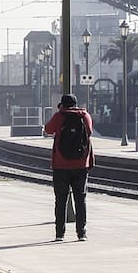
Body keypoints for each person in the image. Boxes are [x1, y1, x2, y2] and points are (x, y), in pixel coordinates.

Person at [44, 93, 95, 242]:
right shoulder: (85, 116)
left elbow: (48, 129)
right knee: (81, 199)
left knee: (61, 200)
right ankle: (82, 233)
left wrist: (60, 112)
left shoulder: (59, 116)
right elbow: (89, 132)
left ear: (62, 104)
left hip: (61, 165)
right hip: (81, 164)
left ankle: (60, 234)